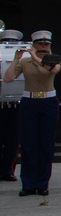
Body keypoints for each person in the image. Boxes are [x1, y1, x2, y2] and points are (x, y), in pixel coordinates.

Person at [3, 30, 61, 196]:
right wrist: (16, 59)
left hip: (48, 102)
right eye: (40, 44)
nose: (43, 47)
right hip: (29, 102)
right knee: (28, 144)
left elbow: (53, 71)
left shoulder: (53, 60)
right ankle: (28, 183)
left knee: (46, 144)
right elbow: (8, 78)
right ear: (34, 45)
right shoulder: (26, 62)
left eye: (46, 44)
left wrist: (37, 57)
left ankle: (42, 183)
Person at [0, 29, 25, 183]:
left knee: (13, 140)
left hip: (15, 104)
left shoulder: (22, 60)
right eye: (5, 43)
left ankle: (8, 170)